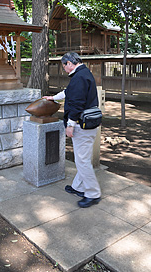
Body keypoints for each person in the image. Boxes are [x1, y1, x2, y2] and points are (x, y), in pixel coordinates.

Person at [43, 52, 101, 208]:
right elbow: (68, 93)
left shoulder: (79, 77)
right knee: (83, 159)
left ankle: (93, 193)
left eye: (64, 66)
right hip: (88, 124)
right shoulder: (84, 74)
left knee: (82, 161)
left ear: (69, 63)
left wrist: (70, 125)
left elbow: (76, 104)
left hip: (81, 125)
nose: (65, 70)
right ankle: (78, 187)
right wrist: (53, 98)